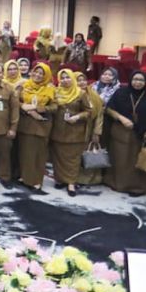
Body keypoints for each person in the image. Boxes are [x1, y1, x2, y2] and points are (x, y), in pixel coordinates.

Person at [104, 70, 146, 196]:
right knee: (121, 159)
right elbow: (109, 109)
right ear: (130, 80)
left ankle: (138, 187)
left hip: (141, 134)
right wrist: (121, 118)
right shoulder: (121, 92)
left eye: (141, 80)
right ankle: (118, 184)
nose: (138, 83)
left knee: (136, 161)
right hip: (121, 131)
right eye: (135, 79)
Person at [50, 69, 92, 197]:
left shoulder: (80, 93)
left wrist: (77, 117)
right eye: (62, 78)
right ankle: (60, 179)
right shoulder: (56, 92)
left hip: (74, 132)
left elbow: (89, 111)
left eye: (67, 77)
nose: (65, 80)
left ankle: (71, 183)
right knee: (58, 157)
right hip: (57, 130)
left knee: (73, 159)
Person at [17, 62, 58, 193]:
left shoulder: (50, 89)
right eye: (36, 72)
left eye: (41, 73)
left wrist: (38, 109)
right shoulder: (25, 86)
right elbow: (16, 101)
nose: (38, 75)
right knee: (25, 153)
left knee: (39, 155)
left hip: (41, 125)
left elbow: (55, 107)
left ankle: (36, 181)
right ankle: (25, 177)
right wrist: (26, 109)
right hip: (25, 125)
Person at [76, 72, 104, 186]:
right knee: (75, 155)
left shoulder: (94, 95)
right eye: (78, 80)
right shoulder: (71, 94)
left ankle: (88, 179)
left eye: (83, 80)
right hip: (74, 130)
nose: (82, 82)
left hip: (89, 128)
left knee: (88, 153)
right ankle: (72, 178)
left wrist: (97, 132)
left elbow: (99, 114)